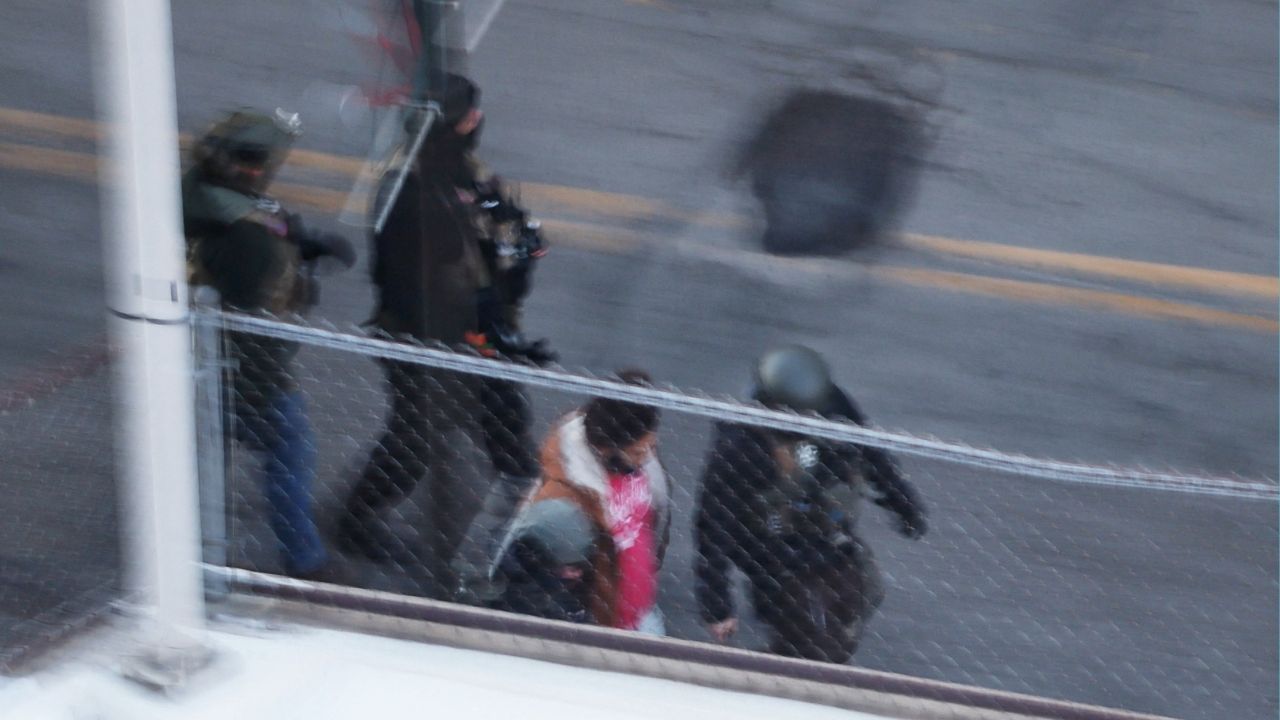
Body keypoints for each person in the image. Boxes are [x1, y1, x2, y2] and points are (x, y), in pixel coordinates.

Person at [337, 74, 553, 600]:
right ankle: (358, 523)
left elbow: (492, 223)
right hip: (433, 343)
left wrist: (516, 236)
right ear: (449, 128)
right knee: (414, 442)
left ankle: (500, 553)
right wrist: (480, 338)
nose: (478, 125)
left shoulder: (455, 172)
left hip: (477, 340)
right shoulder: (409, 193)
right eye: (469, 119)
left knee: (510, 450)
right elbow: (420, 286)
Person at [182, 108, 355, 580]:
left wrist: (302, 242)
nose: (261, 170)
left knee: (205, 456)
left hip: (206, 363)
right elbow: (249, 324)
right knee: (290, 446)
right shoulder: (246, 238)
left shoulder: (203, 194)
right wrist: (263, 390)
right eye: (252, 160)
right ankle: (303, 560)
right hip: (243, 372)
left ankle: (191, 549)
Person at [694, 345, 926, 663]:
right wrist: (716, 604)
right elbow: (713, 523)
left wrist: (902, 500)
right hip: (770, 546)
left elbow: (870, 449)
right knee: (809, 638)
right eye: (801, 416)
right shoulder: (740, 443)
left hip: (822, 529)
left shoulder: (830, 403)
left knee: (863, 591)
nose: (811, 420)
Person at [495, 370, 670, 633]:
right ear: (607, 449)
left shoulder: (636, 463)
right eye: (638, 451)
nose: (647, 457)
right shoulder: (565, 500)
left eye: (651, 447)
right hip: (598, 614)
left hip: (635, 605)